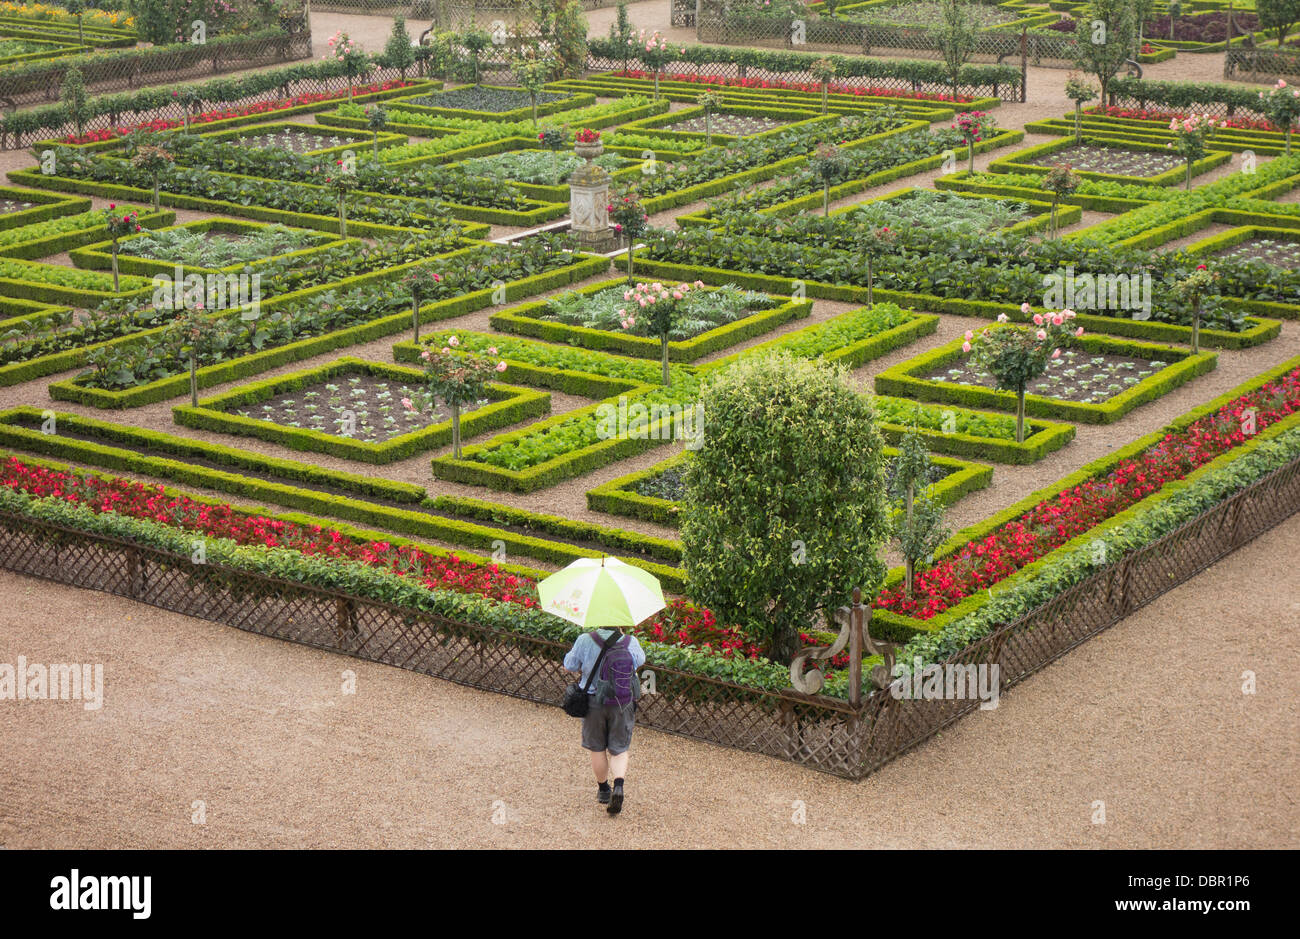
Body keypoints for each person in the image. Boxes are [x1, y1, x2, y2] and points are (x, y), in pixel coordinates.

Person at [563, 625, 646, 815]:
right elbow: (640, 661)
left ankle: (603, 790)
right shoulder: (630, 642)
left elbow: (569, 665)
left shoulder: (585, 640)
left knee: (597, 747)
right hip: (622, 703)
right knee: (619, 749)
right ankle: (619, 785)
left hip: (593, 702)